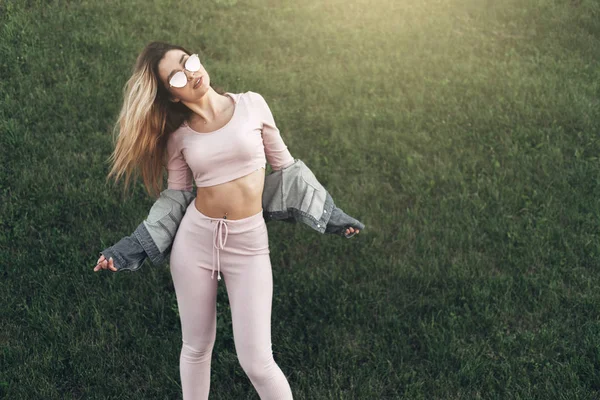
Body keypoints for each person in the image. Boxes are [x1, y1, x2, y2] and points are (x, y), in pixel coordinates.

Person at [93, 41, 360, 400]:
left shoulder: (252, 105)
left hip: (249, 245)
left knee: (258, 361)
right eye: (176, 76)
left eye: (188, 63)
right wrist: (130, 249)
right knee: (197, 348)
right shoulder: (178, 138)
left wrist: (330, 216)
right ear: (171, 96)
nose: (190, 74)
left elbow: (287, 169)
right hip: (195, 244)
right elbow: (175, 200)